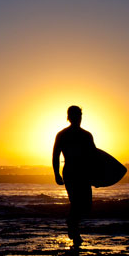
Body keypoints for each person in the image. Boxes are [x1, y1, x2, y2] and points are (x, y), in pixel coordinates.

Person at [52, 105, 95, 246]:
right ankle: (74, 231)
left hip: (85, 172)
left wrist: (97, 176)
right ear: (69, 117)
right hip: (71, 171)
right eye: (75, 116)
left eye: (80, 115)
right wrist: (56, 173)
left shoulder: (87, 135)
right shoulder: (62, 135)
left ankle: (72, 223)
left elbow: (94, 157)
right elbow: (56, 155)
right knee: (76, 202)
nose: (78, 118)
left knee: (87, 204)